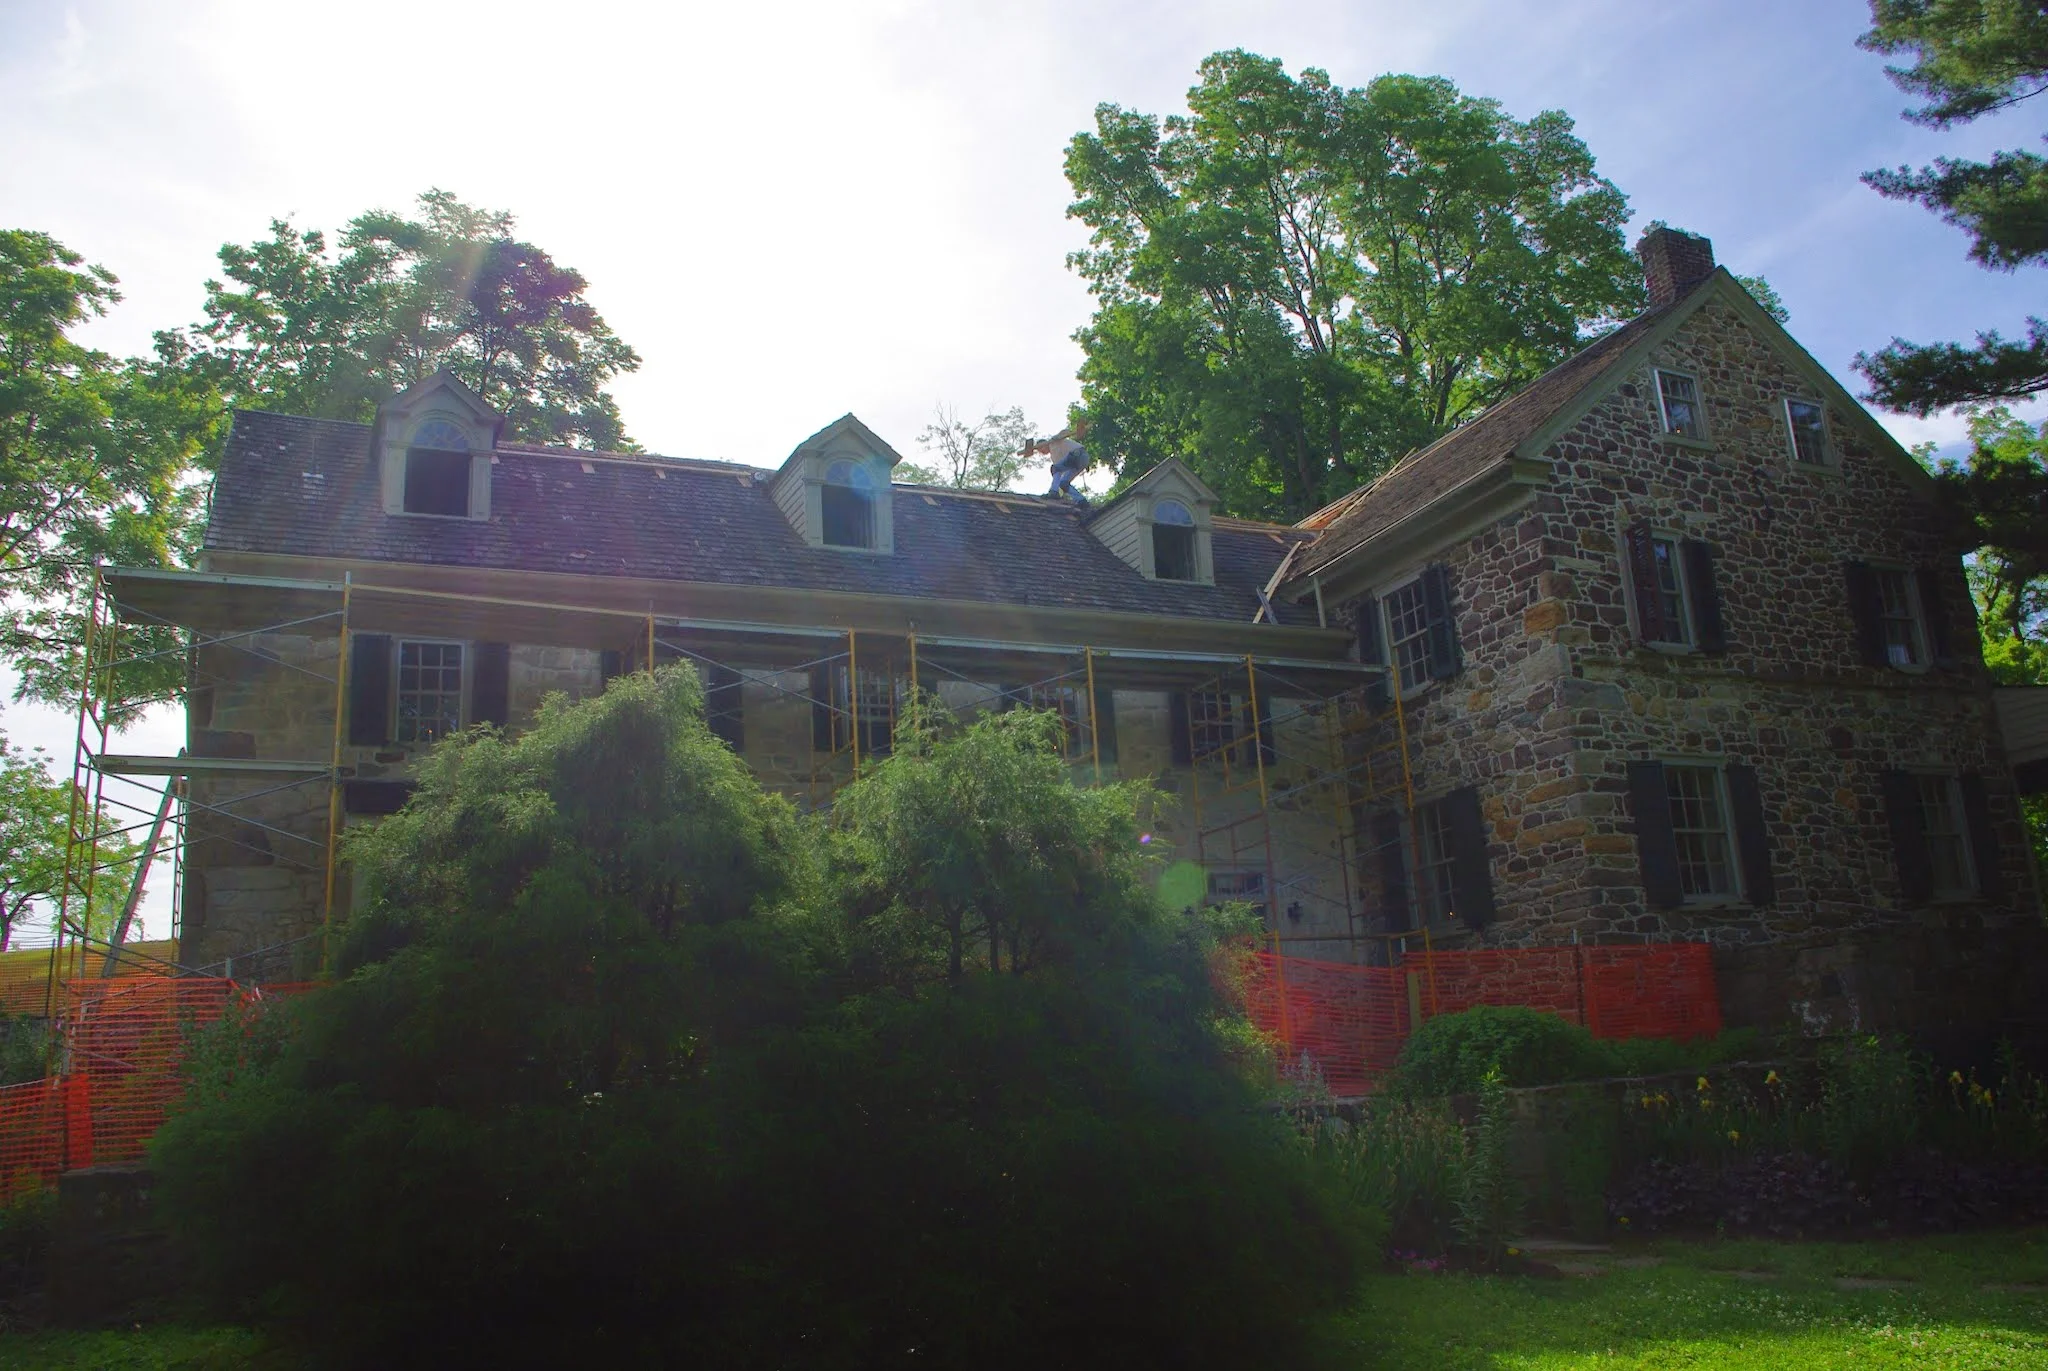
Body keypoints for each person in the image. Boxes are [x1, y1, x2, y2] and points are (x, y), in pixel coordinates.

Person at [1035, 418, 1091, 505]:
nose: (1041, 452)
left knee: (1055, 468)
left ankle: (1054, 492)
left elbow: (1066, 432)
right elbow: (1058, 475)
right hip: (1078, 462)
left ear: (1045, 444)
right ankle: (1081, 501)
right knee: (1063, 483)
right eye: (1039, 451)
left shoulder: (1054, 442)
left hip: (1078, 454)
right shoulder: (1054, 457)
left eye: (1041, 448)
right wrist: (1061, 489)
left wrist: (1057, 437)